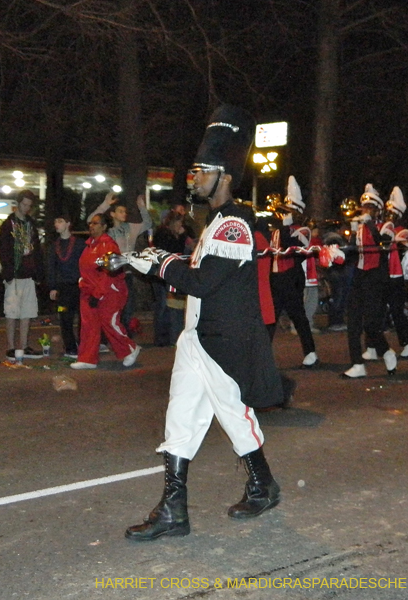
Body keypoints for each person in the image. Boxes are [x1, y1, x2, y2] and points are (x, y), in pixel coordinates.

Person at [123, 105, 283, 540]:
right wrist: (150, 259)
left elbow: (203, 281)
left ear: (225, 176)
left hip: (223, 339)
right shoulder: (215, 223)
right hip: (197, 337)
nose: (193, 179)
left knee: (234, 415)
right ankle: (174, 510)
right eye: (193, 172)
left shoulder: (234, 225)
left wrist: (156, 263)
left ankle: (263, 484)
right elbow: (197, 269)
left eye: (201, 171)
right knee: (180, 418)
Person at [70, 213, 140, 370]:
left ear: (104, 226)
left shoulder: (109, 246)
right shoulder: (90, 246)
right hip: (89, 291)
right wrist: (83, 282)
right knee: (89, 325)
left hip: (110, 292)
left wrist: (98, 293)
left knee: (109, 321)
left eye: (95, 223)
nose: (91, 226)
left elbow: (109, 273)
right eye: (90, 223)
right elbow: (88, 269)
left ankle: (129, 349)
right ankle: (87, 358)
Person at [341, 184, 397, 378]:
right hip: (359, 275)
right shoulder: (360, 228)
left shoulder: (387, 226)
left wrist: (369, 225)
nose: (365, 210)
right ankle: (357, 364)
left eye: (369, 208)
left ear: (377, 210)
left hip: (377, 277)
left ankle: (387, 351)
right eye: (364, 207)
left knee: (371, 324)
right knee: (353, 322)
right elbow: (352, 253)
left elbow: (383, 246)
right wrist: (348, 239)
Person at [362, 186, 408, 360]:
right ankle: (372, 346)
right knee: (375, 313)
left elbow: (395, 250)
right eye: (387, 213)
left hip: (395, 277)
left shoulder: (404, 232)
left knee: (396, 311)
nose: (389, 217)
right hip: (380, 275)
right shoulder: (382, 227)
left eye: (393, 214)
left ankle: (407, 342)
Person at [268, 175, 318, 368]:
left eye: (290, 210)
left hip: (291, 278)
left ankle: (310, 353)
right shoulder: (279, 229)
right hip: (276, 278)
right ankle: (262, 355)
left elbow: (296, 250)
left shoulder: (302, 230)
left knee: (298, 317)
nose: (285, 213)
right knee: (270, 319)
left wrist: (287, 226)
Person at [88, 191, 153, 334]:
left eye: (125, 211)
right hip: (109, 275)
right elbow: (91, 220)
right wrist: (105, 204)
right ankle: (108, 338)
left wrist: (142, 207)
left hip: (126, 273)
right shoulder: (106, 231)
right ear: (112, 214)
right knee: (109, 308)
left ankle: (126, 339)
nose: (124, 214)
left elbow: (148, 223)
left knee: (127, 307)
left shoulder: (130, 228)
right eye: (120, 211)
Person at [0, 190, 44, 360]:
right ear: (18, 203)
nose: (26, 208)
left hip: (28, 273)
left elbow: (37, 248)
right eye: (24, 204)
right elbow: (3, 249)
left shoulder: (30, 223)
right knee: (11, 311)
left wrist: (38, 272)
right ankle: (11, 346)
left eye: (29, 206)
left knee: (27, 311)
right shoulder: (8, 224)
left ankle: (24, 345)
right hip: (15, 273)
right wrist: (8, 270)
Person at [151, 209, 194, 346]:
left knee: (172, 306)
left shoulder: (178, 234)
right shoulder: (163, 234)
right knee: (163, 306)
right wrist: (181, 237)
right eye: (178, 222)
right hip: (162, 273)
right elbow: (171, 251)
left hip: (173, 272)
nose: (180, 225)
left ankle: (170, 336)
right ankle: (161, 337)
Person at [48, 214, 83, 358]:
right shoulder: (53, 246)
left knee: (83, 317)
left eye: (60, 221)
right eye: (55, 220)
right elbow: (50, 267)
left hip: (79, 286)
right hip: (63, 289)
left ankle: (84, 345)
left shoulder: (79, 244)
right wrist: (52, 287)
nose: (57, 224)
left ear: (68, 224)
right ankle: (70, 347)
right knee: (64, 317)